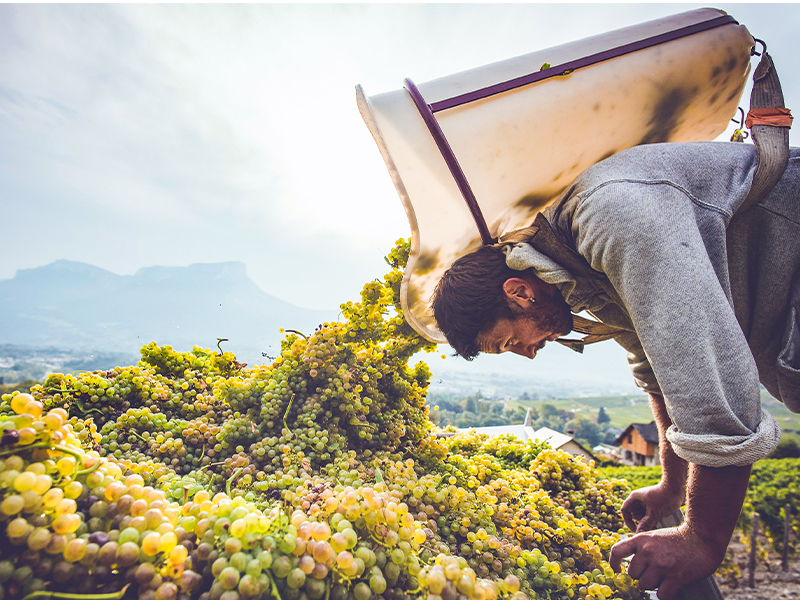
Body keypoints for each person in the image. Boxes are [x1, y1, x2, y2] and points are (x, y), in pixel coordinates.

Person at [430, 140, 800, 600]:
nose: (527, 354)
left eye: (510, 342)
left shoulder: (613, 218)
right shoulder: (578, 273)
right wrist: (673, 481)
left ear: (519, 292)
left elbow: (710, 382)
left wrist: (701, 539)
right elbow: (652, 364)